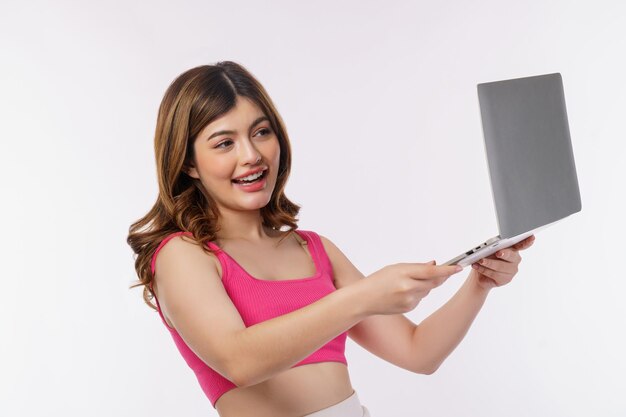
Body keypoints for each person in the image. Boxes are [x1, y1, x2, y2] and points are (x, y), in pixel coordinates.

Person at [126, 61, 535, 417]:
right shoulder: (183, 255)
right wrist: (364, 296)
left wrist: (479, 283)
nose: (251, 155)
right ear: (188, 164)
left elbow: (418, 352)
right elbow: (240, 362)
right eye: (225, 143)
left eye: (262, 132)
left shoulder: (313, 248)